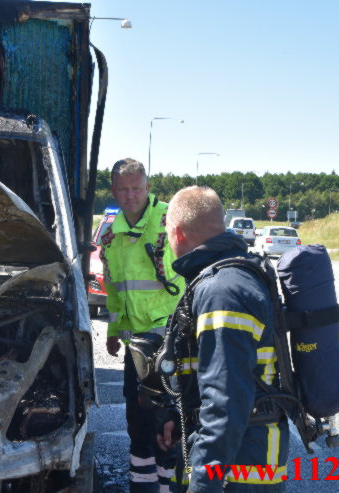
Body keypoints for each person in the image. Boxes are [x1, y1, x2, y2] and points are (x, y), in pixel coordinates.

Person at [159, 186, 289, 492]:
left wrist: (203, 485)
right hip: (237, 465)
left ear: (177, 234)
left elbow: (225, 402)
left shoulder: (221, 290)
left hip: (238, 475)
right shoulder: (221, 279)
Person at [100, 158, 184, 492]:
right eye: (123, 189)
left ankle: (171, 484)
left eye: (136, 188)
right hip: (138, 346)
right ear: (113, 191)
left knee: (169, 419)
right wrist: (111, 330)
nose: (130, 195)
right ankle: (144, 485)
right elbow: (114, 288)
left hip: (172, 337)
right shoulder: (110, 236)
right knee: (137, 418)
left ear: (148, 188)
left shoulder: (171, 220)